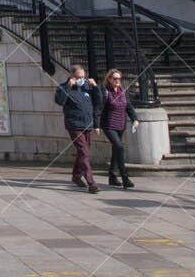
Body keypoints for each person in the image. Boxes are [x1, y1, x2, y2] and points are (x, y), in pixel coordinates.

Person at [55, 64, 102, 193]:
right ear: (72, 76)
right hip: (74, 125)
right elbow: (59, 101)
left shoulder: (86, 87)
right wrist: (68, 87)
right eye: (78, 77)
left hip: (87, 124)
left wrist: (95, 87)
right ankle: (91, 182)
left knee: (83, 152)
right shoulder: (64, 87)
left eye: (83, 77)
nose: (81, 79)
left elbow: (99, 102)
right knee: (84, 152)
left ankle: (76, 176)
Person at [99, 69, 138, 189]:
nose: (117, 81)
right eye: (114, 78)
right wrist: (95, 125)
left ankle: (112, 177)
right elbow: (99, 108)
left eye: (119, 79)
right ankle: (125, 177)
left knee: (116, 149)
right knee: (119, 147)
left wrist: (135, 119)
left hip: (120, 125)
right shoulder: (105, 91)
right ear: (109, 79)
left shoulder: (122, 91)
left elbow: (128, 106)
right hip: (109, 125)